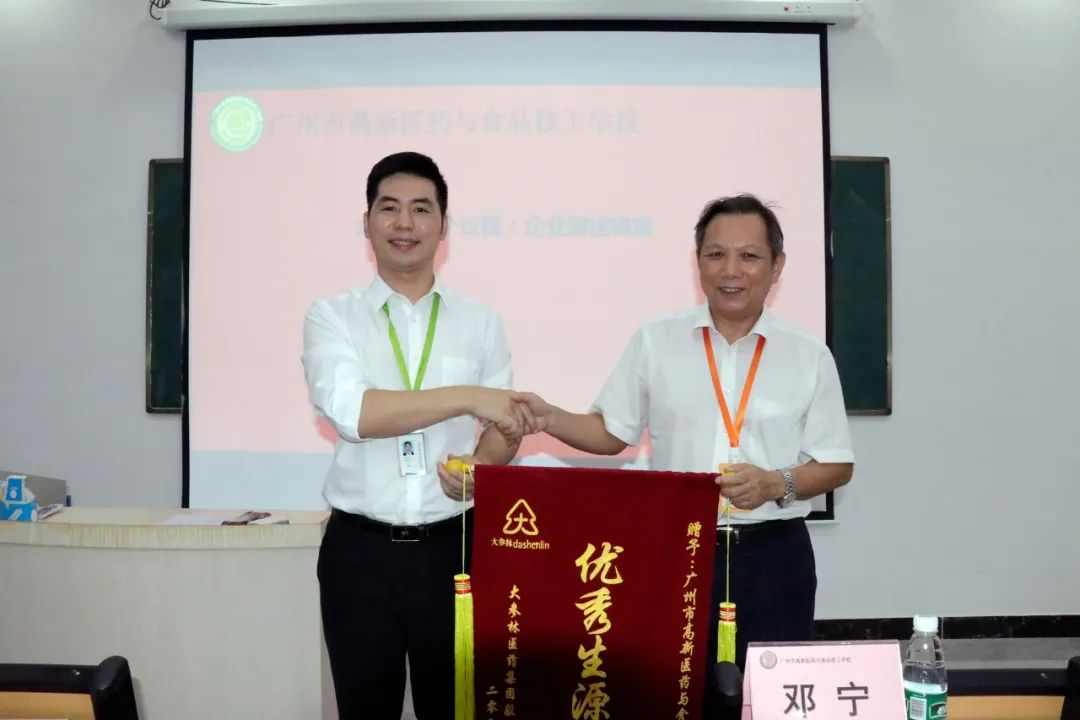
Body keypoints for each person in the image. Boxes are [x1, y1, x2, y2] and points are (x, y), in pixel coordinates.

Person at [517, 194, 854, 684]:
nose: (730, 270)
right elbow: (611, 433)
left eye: (749, 255)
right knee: (674, 693)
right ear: (698, 262)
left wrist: (773, 483)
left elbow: (836, 464)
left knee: (769, 696)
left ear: (777, 266)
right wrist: (549, 416)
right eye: (716, 254)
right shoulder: (657, 339)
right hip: (678, 553)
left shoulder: (808, 355)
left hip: (774, 557)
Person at [302, 151, 532, 720]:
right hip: (361, 554)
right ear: (367, 223)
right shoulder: (331, 316)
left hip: (455, 551)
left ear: (443, 227)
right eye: (389, 208)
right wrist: (466, 396)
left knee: (457, 708)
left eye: (421, 209)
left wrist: (480, 465)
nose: (404, 223)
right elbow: (356, 414)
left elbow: (504, 428)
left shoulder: (480, 320)